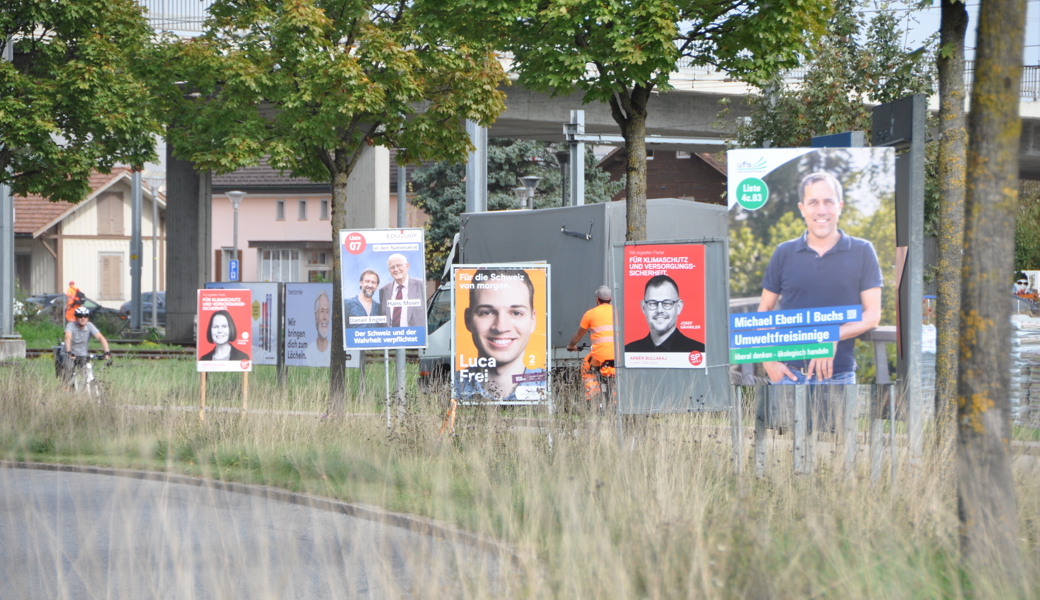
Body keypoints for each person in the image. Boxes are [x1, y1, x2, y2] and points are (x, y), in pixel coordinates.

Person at [758, 171, 882, 384]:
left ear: (840, 206)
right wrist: (768, 359)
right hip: (789, 375)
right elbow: (765, 310)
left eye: (828, 202)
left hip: (839, 377)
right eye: (813, 202)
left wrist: (832, 335)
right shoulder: (783, 252)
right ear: (802, 209)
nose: (821, 210)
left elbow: (872, 315)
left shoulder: (862, 250)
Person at [456, 269, 545, 401]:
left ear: (533, 320)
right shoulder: (454, 389)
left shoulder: (546, 386)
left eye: (516, 313)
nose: (501, 327)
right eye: (486, 312)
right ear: (468, 319)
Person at [624, 274, 704, 353]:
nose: (659, 310)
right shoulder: (629, 352)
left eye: (667, 303)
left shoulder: (699, 351)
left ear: (679, 307)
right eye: (652, 303)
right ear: (643, 307)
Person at [567, 285, 616, 404]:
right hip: (617, 356)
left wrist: (571, 346)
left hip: (599, 357)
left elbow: (578, 334)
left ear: (597, 299)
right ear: (610, 299)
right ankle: (616, 398)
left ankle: (594, 395)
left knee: (586, 367)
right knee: (617, 375)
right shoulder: (618, 312)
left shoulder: (591, 314)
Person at [63, 306, 111, 384]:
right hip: (69, 355)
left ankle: (85, 392)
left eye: (85, 316)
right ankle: (67, 389)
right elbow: (67, 337)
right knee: (69, 369)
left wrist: (107, 352)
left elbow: (100, 338)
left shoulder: (89, 325)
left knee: (87, 375)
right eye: (80, 316)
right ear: (76, 317)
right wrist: (69, 352)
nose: (83, 318)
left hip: (82, 355)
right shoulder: (71, 325)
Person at [378, 253, 426, 328]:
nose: (396, 269)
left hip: (414, 336)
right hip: (391, 337)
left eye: (399, 265)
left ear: (407, 266)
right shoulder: (383, 290)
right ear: (389, 270)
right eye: (392, 267)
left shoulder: (421, 286)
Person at [304, 291, 331, 366]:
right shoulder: (308, 353)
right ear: (316, 317)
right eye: (322, 311)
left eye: (327, 312)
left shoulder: (334, 352)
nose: (325, 317)